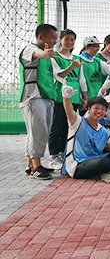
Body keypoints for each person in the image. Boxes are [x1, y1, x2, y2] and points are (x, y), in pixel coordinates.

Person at [61, 86, 110, 182]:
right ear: (89, 109)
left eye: (102, 109)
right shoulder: (78, 122)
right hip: (77, 165)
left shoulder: (103, 131)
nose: (99, 111)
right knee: (104, 162)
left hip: (96, 160)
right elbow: (69, 112)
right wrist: (66, 98)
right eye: (96, 108)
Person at [19, 23, 58, 179]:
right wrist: (44, 53)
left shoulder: (49, 57)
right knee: (38, 131)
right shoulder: (31, 49)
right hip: (33, 96)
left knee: (39, 131)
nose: (55, 41)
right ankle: (37, 167)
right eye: (53, 38)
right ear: (41, 37)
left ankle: (31, 165)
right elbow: (38, 54)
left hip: (46, 96)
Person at [48, 29, 87, 170]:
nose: (70, 42)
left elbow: (81, 80)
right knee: (57, 126)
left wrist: (84, 98)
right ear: (60, 40)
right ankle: (54, 156)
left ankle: (65, 154)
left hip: (74, 98)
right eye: (67, 39)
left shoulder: (77, 59)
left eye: (72, 40)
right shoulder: (54, 57)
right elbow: (59, 76)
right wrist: (71, 67)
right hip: (60, 97)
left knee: (69, 126)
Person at [80, 36, 110, 101]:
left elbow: (109, 69)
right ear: (86, 47)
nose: (97, 49)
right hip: (84, 99)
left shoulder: (97, 61)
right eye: (95, 46)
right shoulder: (79, 60)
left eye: (98, 47)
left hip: (98, 97)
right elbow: (81, 82)